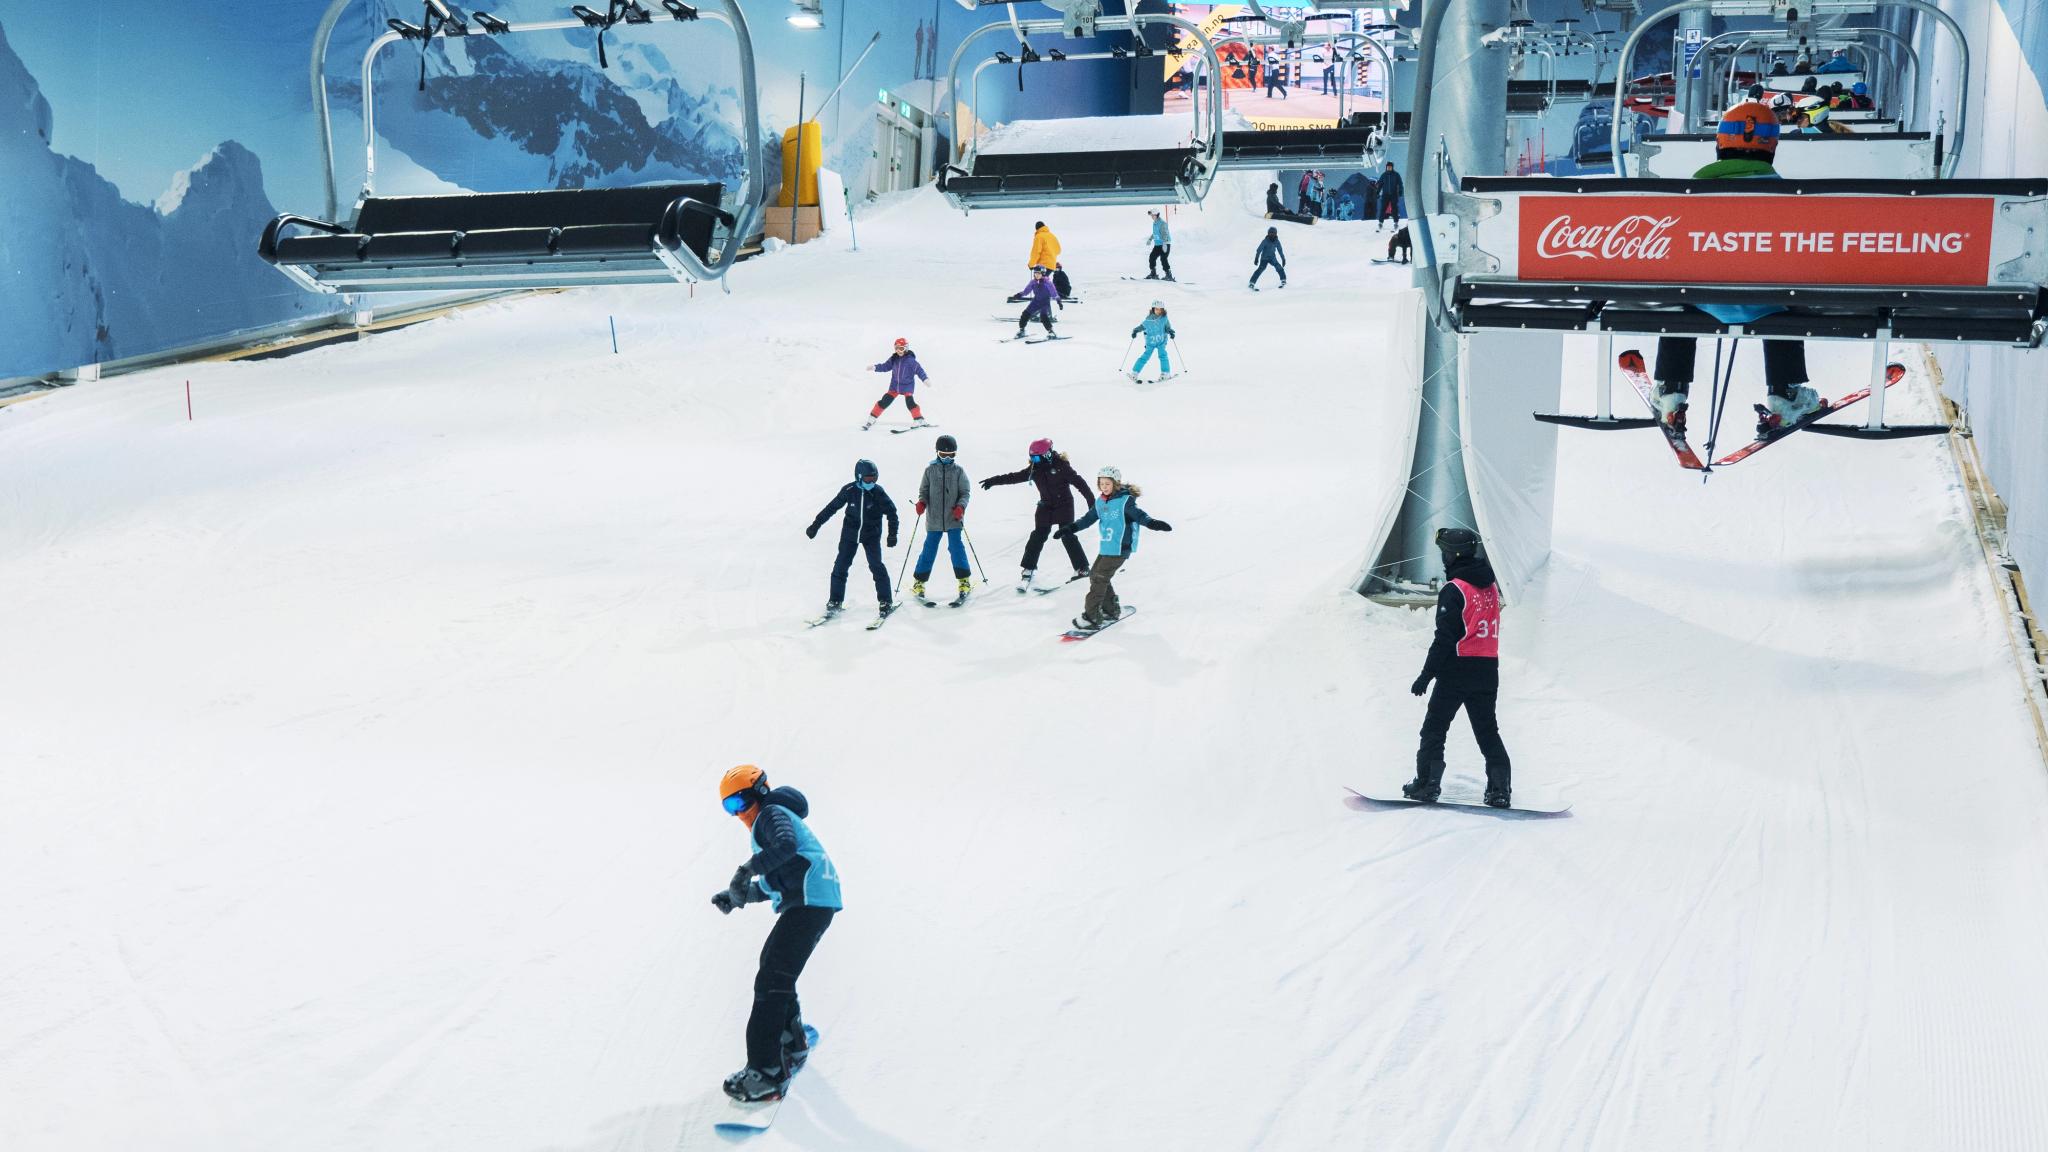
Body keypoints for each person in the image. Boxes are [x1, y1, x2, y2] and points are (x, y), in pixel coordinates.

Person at [1649, 101, 1823, 434]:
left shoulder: (1691, 194)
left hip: (1702, 301)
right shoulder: (1789, 198)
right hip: (1768, 304)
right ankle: (1785, 394)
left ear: (1720, 145)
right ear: (1772, 148)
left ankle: (1671, 391)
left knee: (1680, 295)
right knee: (1785, 296)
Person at [711, 764, 842, 1102]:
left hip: (811, 902)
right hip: (812, 901)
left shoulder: (771, 814)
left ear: (760, 793)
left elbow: (785, 846)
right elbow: (778, 882)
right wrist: (738, 896)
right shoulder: (772, 822)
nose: (738, 814)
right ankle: (791, 1042)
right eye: (729, 807)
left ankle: (766, 1072)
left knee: (771, 980)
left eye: (740, 802)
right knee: (774, 971)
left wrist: (746, 869)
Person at [1401, 529, 1513, 808]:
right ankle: (1500, 789)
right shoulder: (1490, 586)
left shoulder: (1455, 589)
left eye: (1444, 553)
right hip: (1487, 668)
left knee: (1434, 729)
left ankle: (1427, 784)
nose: (1443, 558)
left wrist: (1426, 675)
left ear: (1452, 556)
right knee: (1487, 731)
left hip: (1458, 668)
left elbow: (1445, 638)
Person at [1057, 466, 1170, 632]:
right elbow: (1087, 519)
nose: (1104, 487)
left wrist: (1153, 523)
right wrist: (1069, 528)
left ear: (1115, 484)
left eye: (1107, 484)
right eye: (1101, 483)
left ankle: (1091, 617)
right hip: (1107, 547)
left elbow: (1139, 515)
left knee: (1099, 578)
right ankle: (1111, 610)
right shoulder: (1100, 502)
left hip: (1120, 548)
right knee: (1096, 575)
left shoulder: (1125, 502)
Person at [979, 437, 1094, 590]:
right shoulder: (1034, 469)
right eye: (1032, 457)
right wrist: (993, 481)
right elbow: (1014, 477)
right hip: (1045, 506)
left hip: (1064, 505)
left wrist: (1091, 502)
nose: (1034, 460)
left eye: (1036, 458)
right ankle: (1028, 569)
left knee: (1067, 535)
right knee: (1038, 536)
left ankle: (1082, 568)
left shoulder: (1062, 466)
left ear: (1047, 454)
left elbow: (1080, 483)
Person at [806, 458, 899, 616]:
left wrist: (892, 534)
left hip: (871, 535)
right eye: (868, 479)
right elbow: (831, 508)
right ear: (859, 477)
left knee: (876, 566)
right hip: (850, 534)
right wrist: (816, 524)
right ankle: (835, 600)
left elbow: (892, 513)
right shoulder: (849, 490)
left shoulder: (878, 492)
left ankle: (886, 601)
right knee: (840, 566)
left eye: (874, 478)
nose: (872, 482)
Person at [911, 434, 973, 604]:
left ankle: (964, 581)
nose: (947, 459)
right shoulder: (929, 471)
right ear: (937, 453)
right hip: (934, 519)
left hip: (954, 518)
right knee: (929, 549)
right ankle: (919, 582)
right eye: (943, 455)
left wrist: (961, 507)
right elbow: (923, 491)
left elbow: (965, 493)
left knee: (956, 548)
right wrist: (922, 503)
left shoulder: (959, 471)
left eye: (951, 455)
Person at [862, 337, 930, 431]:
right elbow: (885, 366)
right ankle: (872, 418)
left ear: (906, 348)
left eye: (901, 348)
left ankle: (919, 419)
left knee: (909, 402)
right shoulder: (894, 359)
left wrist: (925, 379)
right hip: (895, 386)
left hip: (907, 386)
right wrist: (875, 367)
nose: (898, 351)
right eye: (896, 348)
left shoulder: (911, 361)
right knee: (885, 401)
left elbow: (919, 370)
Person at [1128, 300, 1176, 380]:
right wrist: (1135, 331)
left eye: (1160, 309)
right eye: (1156, 309)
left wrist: (1170, 332)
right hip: (1151, 342)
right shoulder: (1148, 320)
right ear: (1153, 309)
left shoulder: (1164, 318)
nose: (1158, 311)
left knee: (1163, 355)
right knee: (1145, 356)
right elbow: (1142, 326)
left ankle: (1165, 373)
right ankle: (1135, 373)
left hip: (1161, 341)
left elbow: (1167, 327)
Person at [1013, 266, 1059, 340]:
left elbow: (1054, 293)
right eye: (1035, 273)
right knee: (1025, 314)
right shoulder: (1033, 282)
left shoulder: (1047, 283)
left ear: (1043, 274)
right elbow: (1026, 291)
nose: (1036, 275)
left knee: (1043, 317)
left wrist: (1058, 301)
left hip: (1045, 302)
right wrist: (1019, 295)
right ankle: (1022, 330)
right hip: (1036, 301)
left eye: (1039, 273)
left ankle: (1051, 332)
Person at [1374, 161, 1405, 231]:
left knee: (1394, 209)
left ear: (1392, 167)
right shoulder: (1384, 175)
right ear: (1386, 167)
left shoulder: (1396, 175)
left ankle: (1396, 223)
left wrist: (1400, 191)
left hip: (1394, 194)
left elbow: (1400, 183)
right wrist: (1377, 192)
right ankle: (1380, 223)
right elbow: (1380, 184)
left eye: (1390, 167)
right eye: (1388, 167)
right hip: (1385, 195)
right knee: (1383, 209)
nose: (1389, 168)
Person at [1145, 209, 1174, 281]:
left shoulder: (1162, 223)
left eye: (1153, 215)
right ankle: (1153, 274)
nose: (1152, 217)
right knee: (1152, 257)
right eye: (1151, 215)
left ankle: (1169, 275)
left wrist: (1164, 243)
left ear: (1157, 215)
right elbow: (1155, 233)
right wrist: (1150, 239)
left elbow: (1165, 233)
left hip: (1165, 244)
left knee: (1163, 258)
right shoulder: (1155, 223)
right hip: (1158, 245)